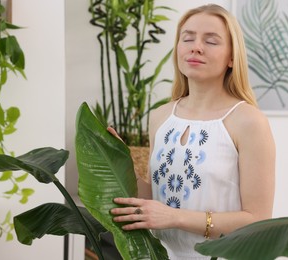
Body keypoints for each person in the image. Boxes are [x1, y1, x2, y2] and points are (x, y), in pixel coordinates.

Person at [109, 4, 275, 259]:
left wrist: (176, 218)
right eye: (187, 38)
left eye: (211, 41)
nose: (196, 46)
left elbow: (257, 221)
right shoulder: (161, 117)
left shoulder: (249, 121)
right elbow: (157, 197)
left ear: (232, 57)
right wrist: (119, 160)